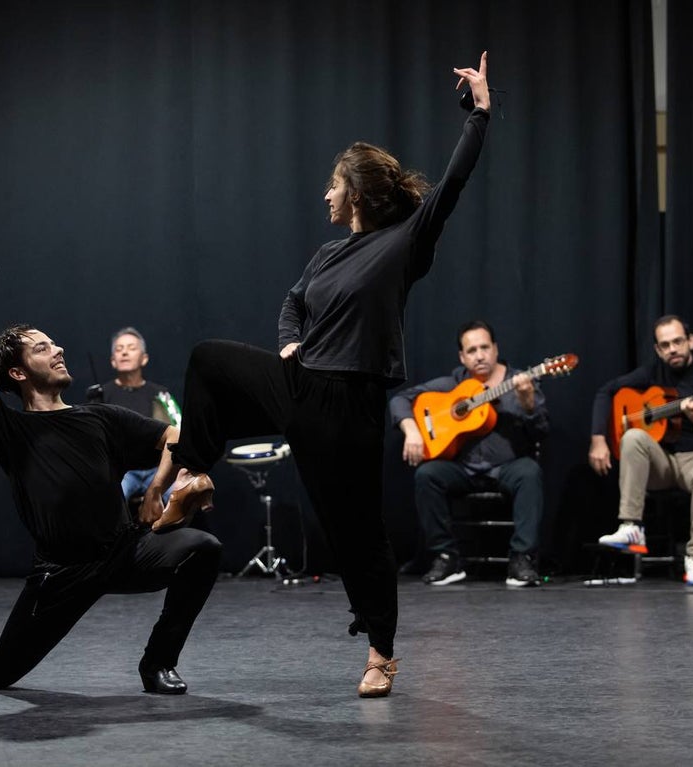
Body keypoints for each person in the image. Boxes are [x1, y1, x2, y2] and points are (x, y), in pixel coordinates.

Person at [144, 53, 493, 698]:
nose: (325, 196)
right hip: (303, 384)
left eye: (333, 186)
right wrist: (288, 343)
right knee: (208, 359)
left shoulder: (406, 242)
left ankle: (381, 652)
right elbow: (291, 302)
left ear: (354, 193)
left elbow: (452, 184)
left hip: (351, 404)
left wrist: (478, 113)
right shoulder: (329, 252)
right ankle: (192, 473)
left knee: (354, 534)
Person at [0, 235, 222, 695]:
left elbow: (174, 435)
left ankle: (158, 662)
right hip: (61, 573)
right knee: (2, 671)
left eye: (54, 343)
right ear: (18, 373)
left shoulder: (100, 419)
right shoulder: (11, 431)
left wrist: (159, 487)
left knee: (203, 548)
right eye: (42, 348)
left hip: (123, 553)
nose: (56, 349)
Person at [388, 320, 547, 588]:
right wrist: (412, 429)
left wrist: (528, 402)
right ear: (462, 356)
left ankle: (522, 559)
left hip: (506, 466)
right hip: (463, 469)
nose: (480, 355)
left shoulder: (519, 381)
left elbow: (542, 430)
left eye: (485, 347)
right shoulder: (453, 383)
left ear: (495, 349)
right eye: (471, 350)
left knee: (530, 472)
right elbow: (399, 400)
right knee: (427, 475)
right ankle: (447, 556)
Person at [588, 315, 693, 585]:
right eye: (665, 345)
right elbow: (606, 391)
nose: (673, 349)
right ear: (658, 350)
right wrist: (598, 438)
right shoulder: (652, 374)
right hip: (665, 462)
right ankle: (631, 526)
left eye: (678, 342)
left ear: (690, 341)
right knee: (633, 436)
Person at [86, 327, 181, 505]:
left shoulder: (160, 393)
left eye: (131, 348)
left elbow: (179, 427)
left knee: (181, 495)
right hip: (123, 471)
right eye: (119, 349)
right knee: (108, 500)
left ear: (144, 358)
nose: (124, 353)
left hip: (158, 469)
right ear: (113, 361)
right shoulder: (101, 395)